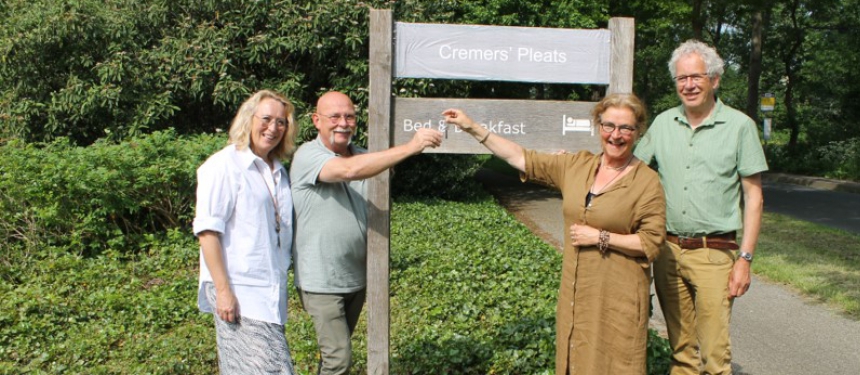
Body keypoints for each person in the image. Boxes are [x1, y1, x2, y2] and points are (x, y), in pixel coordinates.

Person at [442, 93, 666, 375]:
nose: (616, 135)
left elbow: (651, 242)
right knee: (574, 360)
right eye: (609, 125)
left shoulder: (646, 181)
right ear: (598, 126)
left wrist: (600, 238)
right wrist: (472, 127)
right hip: (576, 294)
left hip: (616, 298)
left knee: (615, 365)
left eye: (626, 128)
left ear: (638, 132)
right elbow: (520, 157)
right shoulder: (577, 166)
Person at [634, 39, 768, 375]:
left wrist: (745, 261)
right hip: (666, 251)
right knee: (681, 351)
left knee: (714, 356)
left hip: (714, 254)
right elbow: (629, 173)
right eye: (682, 78)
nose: (689, 85)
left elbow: (754, 197)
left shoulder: (740, 127)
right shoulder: (663, 123)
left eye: (696, 77)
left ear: (714, 80)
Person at [291, 91, 442, 374]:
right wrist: (411, 146)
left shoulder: (363, 154)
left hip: (357, 277)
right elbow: (348, 171)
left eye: (349, 116)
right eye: (334, 116)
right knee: (339, 360)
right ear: (316, 121)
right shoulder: (308, 155)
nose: (343, 123)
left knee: (334, 354)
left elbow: (373, 169)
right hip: (321, 280)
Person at [193, 89, 299, 374]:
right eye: (266, 119)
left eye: (281, 122)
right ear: (248, 119)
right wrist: (224, 291)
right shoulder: (224, 165)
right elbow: (207, 231)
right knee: (272, 369)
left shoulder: (277, 169)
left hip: (269, 287)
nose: (273, 128)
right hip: (240, 289)